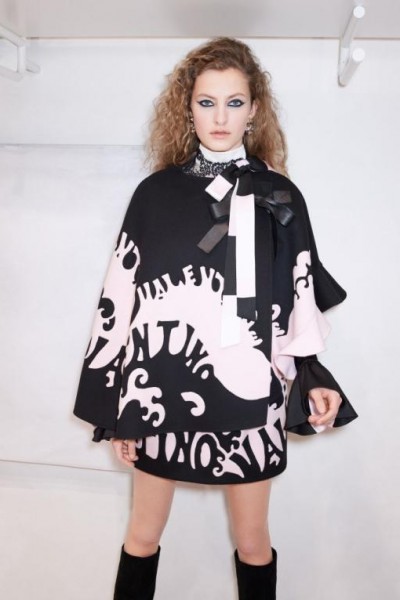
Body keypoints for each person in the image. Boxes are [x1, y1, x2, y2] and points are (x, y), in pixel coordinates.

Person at [73, 37, 358, 600]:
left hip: (251, 396)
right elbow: (122, 302)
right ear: (188, 108)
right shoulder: (154, 195)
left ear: (254, 110)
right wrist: (118, 410)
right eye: (207, 102)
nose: (220, 117)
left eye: (234, 102)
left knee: (253, 542)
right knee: (143, 535)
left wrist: (313, 376)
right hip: (161, 394)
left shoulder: (281, 195)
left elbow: (297, 295)